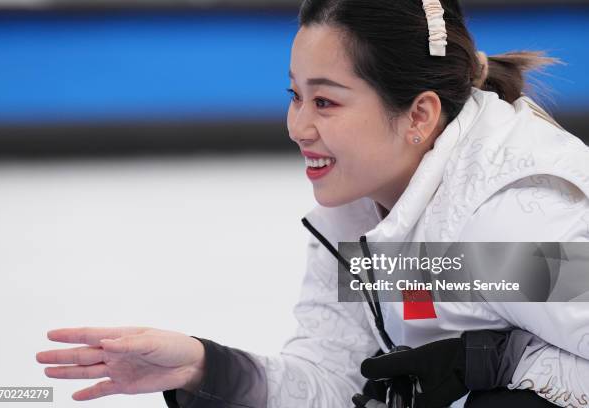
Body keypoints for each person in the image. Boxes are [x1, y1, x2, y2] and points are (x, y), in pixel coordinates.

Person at [35, 0, 589, 407]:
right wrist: (207, 366)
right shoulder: (357, 207)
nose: (297, 126)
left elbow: (478, 287)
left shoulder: (510, 217)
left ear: (419, 116)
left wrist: (503, 366)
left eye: (325, 101)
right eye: (295, 95)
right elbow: (334, 382)